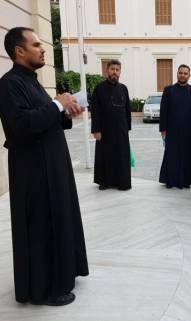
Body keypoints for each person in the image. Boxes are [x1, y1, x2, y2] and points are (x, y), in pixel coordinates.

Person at [0, 27, 88, 306]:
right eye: (36, 44)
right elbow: (21, 125)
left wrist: (68, 109)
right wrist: (55, 105)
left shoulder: (33, 81)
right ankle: (44, 290)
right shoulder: (9, 83)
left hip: (52, 166)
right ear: (19, 51)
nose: (43, 48)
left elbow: (47, 116)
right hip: (34, 174)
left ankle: (62, 276)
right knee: (40, 228)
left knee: (58, 221)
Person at [91, 59, 131, 191]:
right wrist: (96, 130)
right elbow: (95, 111)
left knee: (121, 156)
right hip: (104, 130)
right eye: (112, 69)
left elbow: (127, 110)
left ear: (120, 72)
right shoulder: (99, 88)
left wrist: (127, 128)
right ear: (107, 70)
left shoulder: (124, 88)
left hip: (121, 130)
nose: (115, 72)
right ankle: (105, 182)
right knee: (105, 156)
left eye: (117, 70)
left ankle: (122, 182)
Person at [159, 64, 191, 189]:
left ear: (189, 75)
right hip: (172, 130)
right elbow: (163, 110)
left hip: (189, 131)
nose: (182, 75)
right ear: (177, 74)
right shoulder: (168, 90)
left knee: (188, 156)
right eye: (180, 73)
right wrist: (163, 129)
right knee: (172, 155)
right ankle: (170, 181)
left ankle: (186, 181)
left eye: (185, 73)